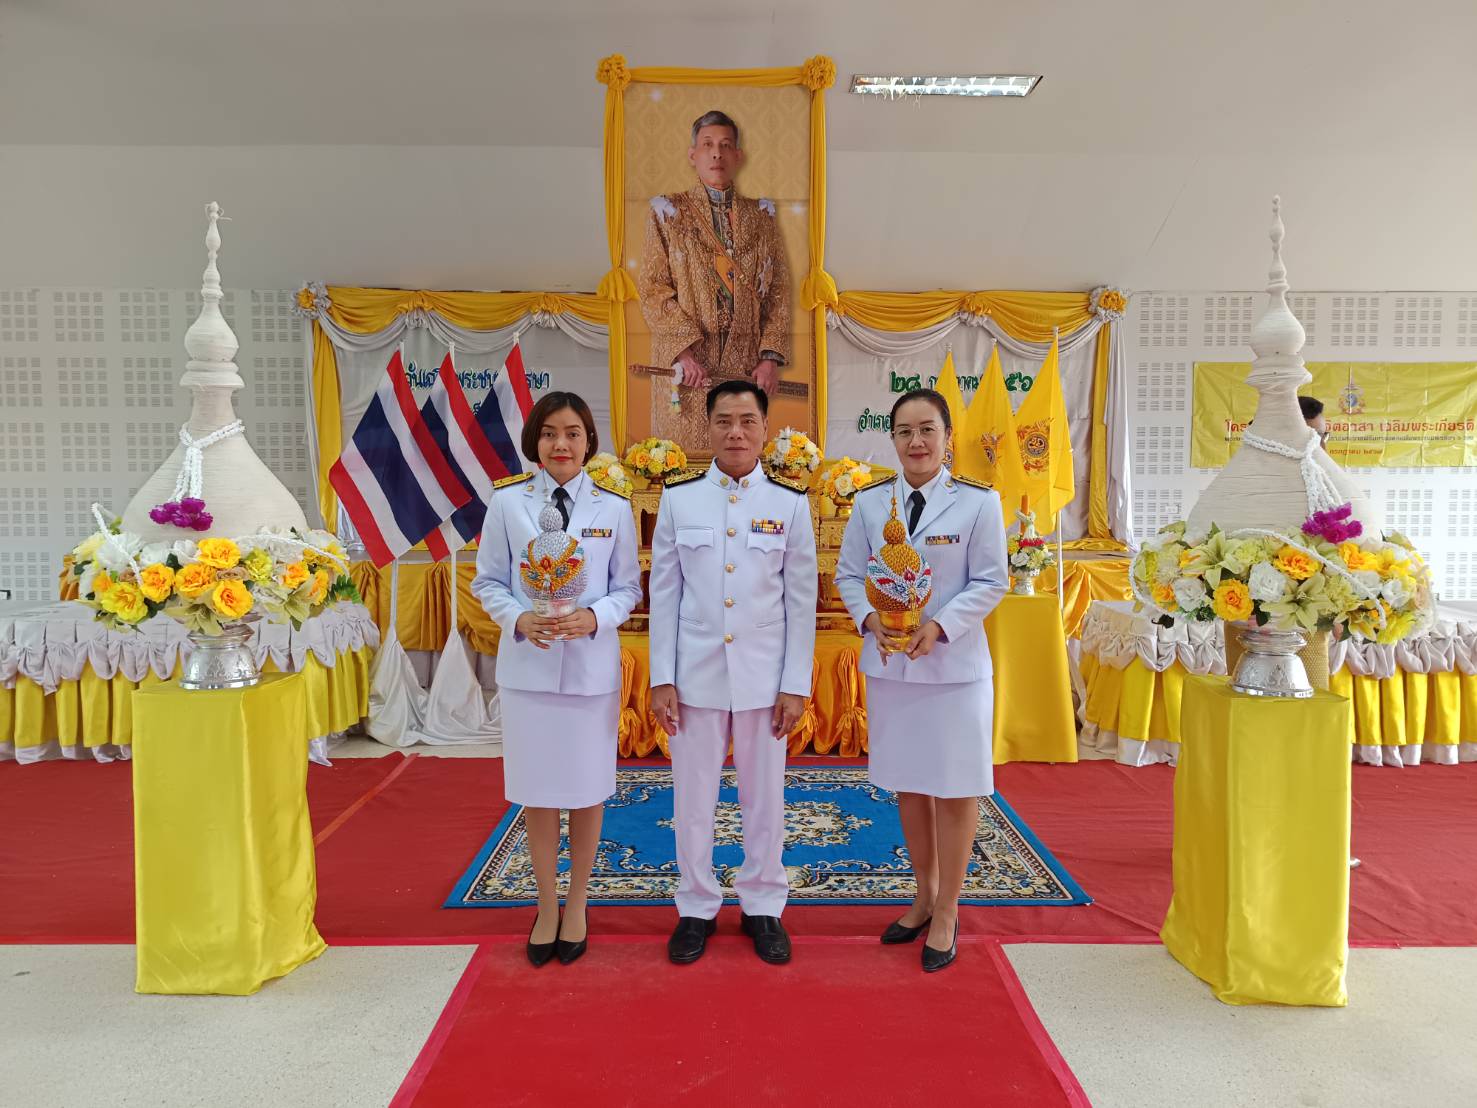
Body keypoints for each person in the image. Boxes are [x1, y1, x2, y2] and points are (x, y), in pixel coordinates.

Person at [834, 388, 1009, 973]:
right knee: (910, 784)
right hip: (893, 666)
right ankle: (923, 895)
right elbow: (850, 573)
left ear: (948, 437)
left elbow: (990, 581)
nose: (916, 442)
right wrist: (867, 619)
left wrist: (940, 625)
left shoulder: (979, 503)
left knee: (956, 786)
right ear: (893, 440)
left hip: (954, 669)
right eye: (905, 431)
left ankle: (950, 909)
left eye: (927, 429)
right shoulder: (869, 504)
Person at [648, 380, 817, 965]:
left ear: (766, 430)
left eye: (748, 421)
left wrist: (796, 684)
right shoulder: (680, 499)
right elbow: (664, 593)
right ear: (708, 428)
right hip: (694, 675)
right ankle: (695, 905)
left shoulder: (791, 504)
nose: (736, 432)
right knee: (691, 798)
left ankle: (763, 904)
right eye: (724, 421)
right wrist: (660, 676)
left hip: (764, 678)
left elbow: (801, 600)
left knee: (764, 798)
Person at [471, 391, 642, 967]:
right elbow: (488, 580)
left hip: (591, 671)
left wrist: (596, 617)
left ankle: (578, 903)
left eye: (572, 433)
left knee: (588, 791)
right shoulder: (509, 504)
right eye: (549, 434)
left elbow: (628, 589)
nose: (561, 444)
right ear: (535, 443)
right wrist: (517, 617)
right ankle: (546, 906)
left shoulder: (615, 508)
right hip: (528, 669)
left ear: (589, 441)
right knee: (538, 795)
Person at [638, 110, 792, 454]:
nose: (716, 153)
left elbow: (778, 290)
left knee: (740, 459)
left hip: (744, 368)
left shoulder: (761, 217)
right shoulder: (668, 212)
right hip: (688, 371)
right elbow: (653, 287)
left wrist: (769, 358)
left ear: (738, 156)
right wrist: (684, 351)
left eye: (725, 145)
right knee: (684, 467)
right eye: (707, 144)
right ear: (693, 155)